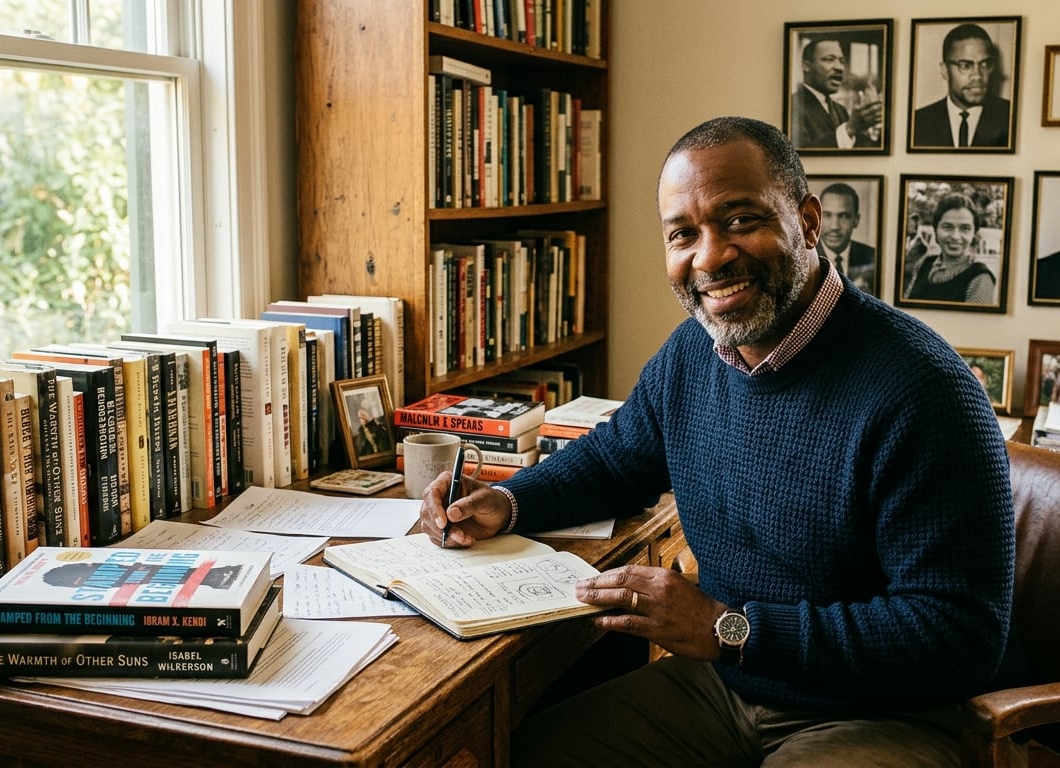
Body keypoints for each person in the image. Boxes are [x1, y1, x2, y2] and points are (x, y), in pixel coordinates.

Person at [420, 116, 1015, 766]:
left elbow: (957, 636)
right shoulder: (691, 356)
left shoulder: (923, 389)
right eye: (683, 234)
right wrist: (506, 502)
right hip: (722, 688)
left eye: (739, 220)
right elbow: (616, 459)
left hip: (880, 715)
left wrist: (726, 629)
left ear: (809, 222)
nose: (709, 257)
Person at [911, 23, 1011, 148]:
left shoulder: (1010, 117)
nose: (977, 75)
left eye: (985, 64)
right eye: (965, 65)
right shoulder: (918, 123)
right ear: (945, 70)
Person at [790, 37, 882, 150]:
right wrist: (850, 128)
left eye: (842, 61)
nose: (839, 67)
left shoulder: (840, 110)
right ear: (806, 66)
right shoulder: (793, 107)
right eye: (829, 59)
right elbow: (799, 156)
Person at [905, 193, 997, 305]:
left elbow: (975, 322)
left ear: (974, 234)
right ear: (936, 230)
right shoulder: (924, 264)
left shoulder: (980, 279)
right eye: (947, 227)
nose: (955, 236)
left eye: (965, 228)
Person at [816, 182, 877, 296]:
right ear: (818, 217)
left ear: (856, 220)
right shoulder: (805, 257)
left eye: (843, 216)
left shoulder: (873, 257)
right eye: (827, 215)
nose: (834, 226)